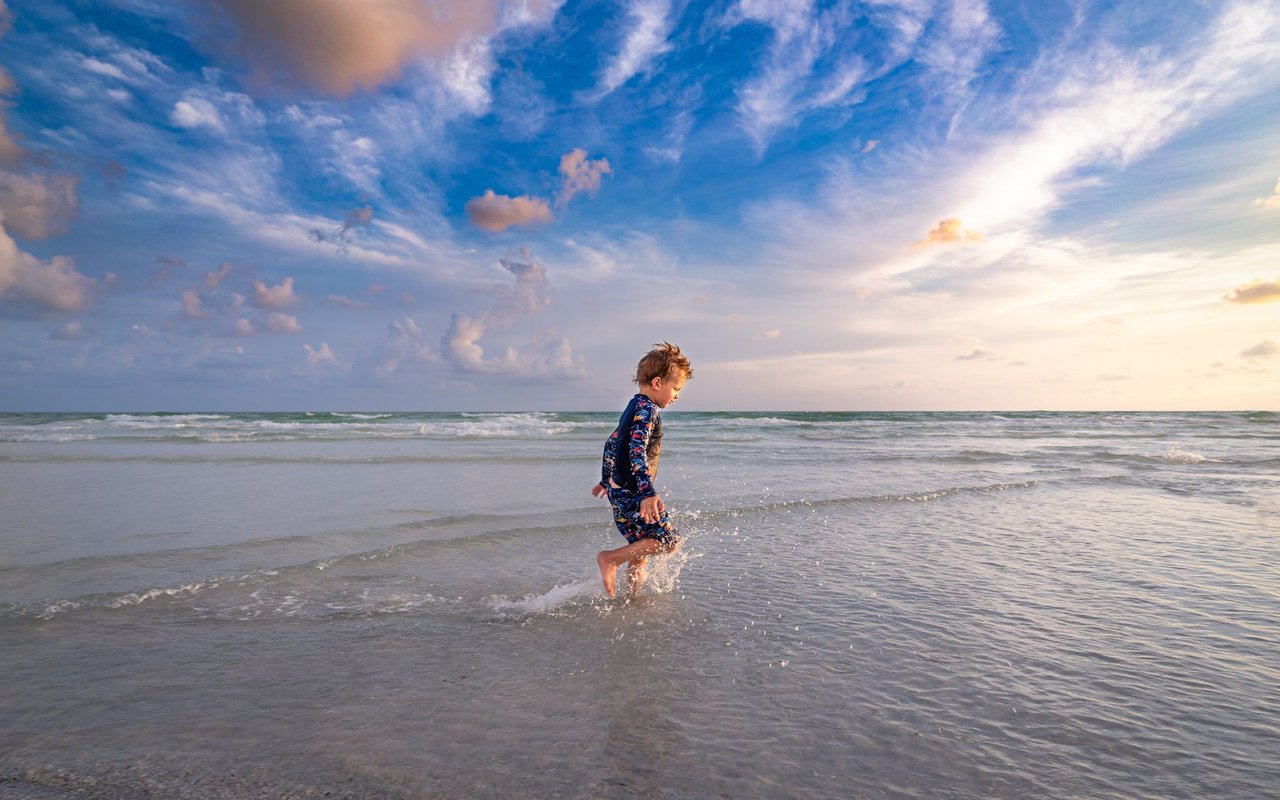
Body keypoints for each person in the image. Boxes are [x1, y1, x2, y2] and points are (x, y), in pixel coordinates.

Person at [591, 342, 693, 598]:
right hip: (634, 493)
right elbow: (636, 450)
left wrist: (606, 480)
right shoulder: (647, 410)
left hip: (620, 490)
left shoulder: (633, 406)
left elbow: (613, 442)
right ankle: (610, 559)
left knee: (640, 547)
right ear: (658, 383)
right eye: (676, 388)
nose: (677, 395)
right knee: (669, 542)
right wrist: (647, 493)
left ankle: (632, 598)